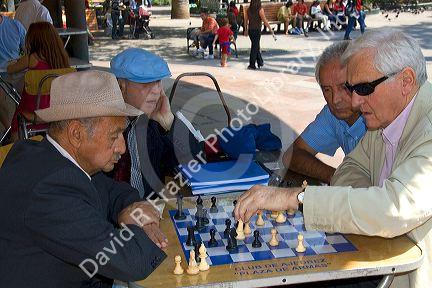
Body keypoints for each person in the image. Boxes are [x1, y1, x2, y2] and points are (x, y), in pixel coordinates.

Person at [235, 28, 431, 288]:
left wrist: (296, 198)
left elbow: (392, 208)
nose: (355, 101)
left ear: (406, 81)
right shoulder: (384, 118)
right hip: (378, 256)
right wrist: (365, 204)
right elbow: (350, 167)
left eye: (363, 88)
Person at [0, 70, 168, 287]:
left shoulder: (54, 157)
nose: (122, 147)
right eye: (114, 135)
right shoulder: (51, 190)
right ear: (76, 134)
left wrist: (133, 211)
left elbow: (115, 190)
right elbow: (134, 262)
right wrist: (136, 224)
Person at [110, 48, 204, 199]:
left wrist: (170, 125)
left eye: (158, 82)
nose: (157, 91)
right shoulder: (102, 126)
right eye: (146, 84)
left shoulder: (155, 123)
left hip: (152, 211)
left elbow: (195, 166)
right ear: (121, 87)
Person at [283, 41, 366, 184]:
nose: (335, 100)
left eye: (344, 87)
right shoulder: (332, 114)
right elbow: (292, 155)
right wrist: (336, 176)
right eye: (327, 90)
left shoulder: (379, 118)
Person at [7, 22, 70, 140]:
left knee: (18, 114)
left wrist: (13, 62)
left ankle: (15, 146)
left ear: (33, 40)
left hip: (35, 112)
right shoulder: (62, 58)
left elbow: (10, 69)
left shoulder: (32, 58)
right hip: (57, 111)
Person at [245, 0, 274, 70]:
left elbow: (246, 20)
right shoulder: (260, 9)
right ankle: (252, 64)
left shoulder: (248, 9)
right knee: (255, 47)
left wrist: (245, 30)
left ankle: (260, 62)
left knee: (256, 45)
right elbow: (264, 20)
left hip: (250, 30)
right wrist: (270, 30)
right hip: (257, 30)